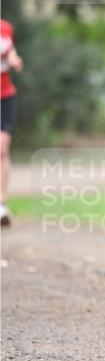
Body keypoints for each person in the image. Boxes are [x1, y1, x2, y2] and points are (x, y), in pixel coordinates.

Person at [0, 18, 23, 227]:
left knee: (2, 148)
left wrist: (14, 60)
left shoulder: (6, 27)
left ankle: (1, 205)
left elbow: (10, 52)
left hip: (5, 95)